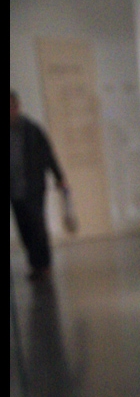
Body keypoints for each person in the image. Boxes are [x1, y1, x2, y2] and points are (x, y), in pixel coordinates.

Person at [10, 90, 71, 282]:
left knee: (37, 226)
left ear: (17, 107)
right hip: (15, 190)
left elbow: (48, 154)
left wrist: (59, 177)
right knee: (24, 228)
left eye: (12, 107)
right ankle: (35, 264)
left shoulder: (31, 130)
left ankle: (44, 265)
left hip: (34, 187)